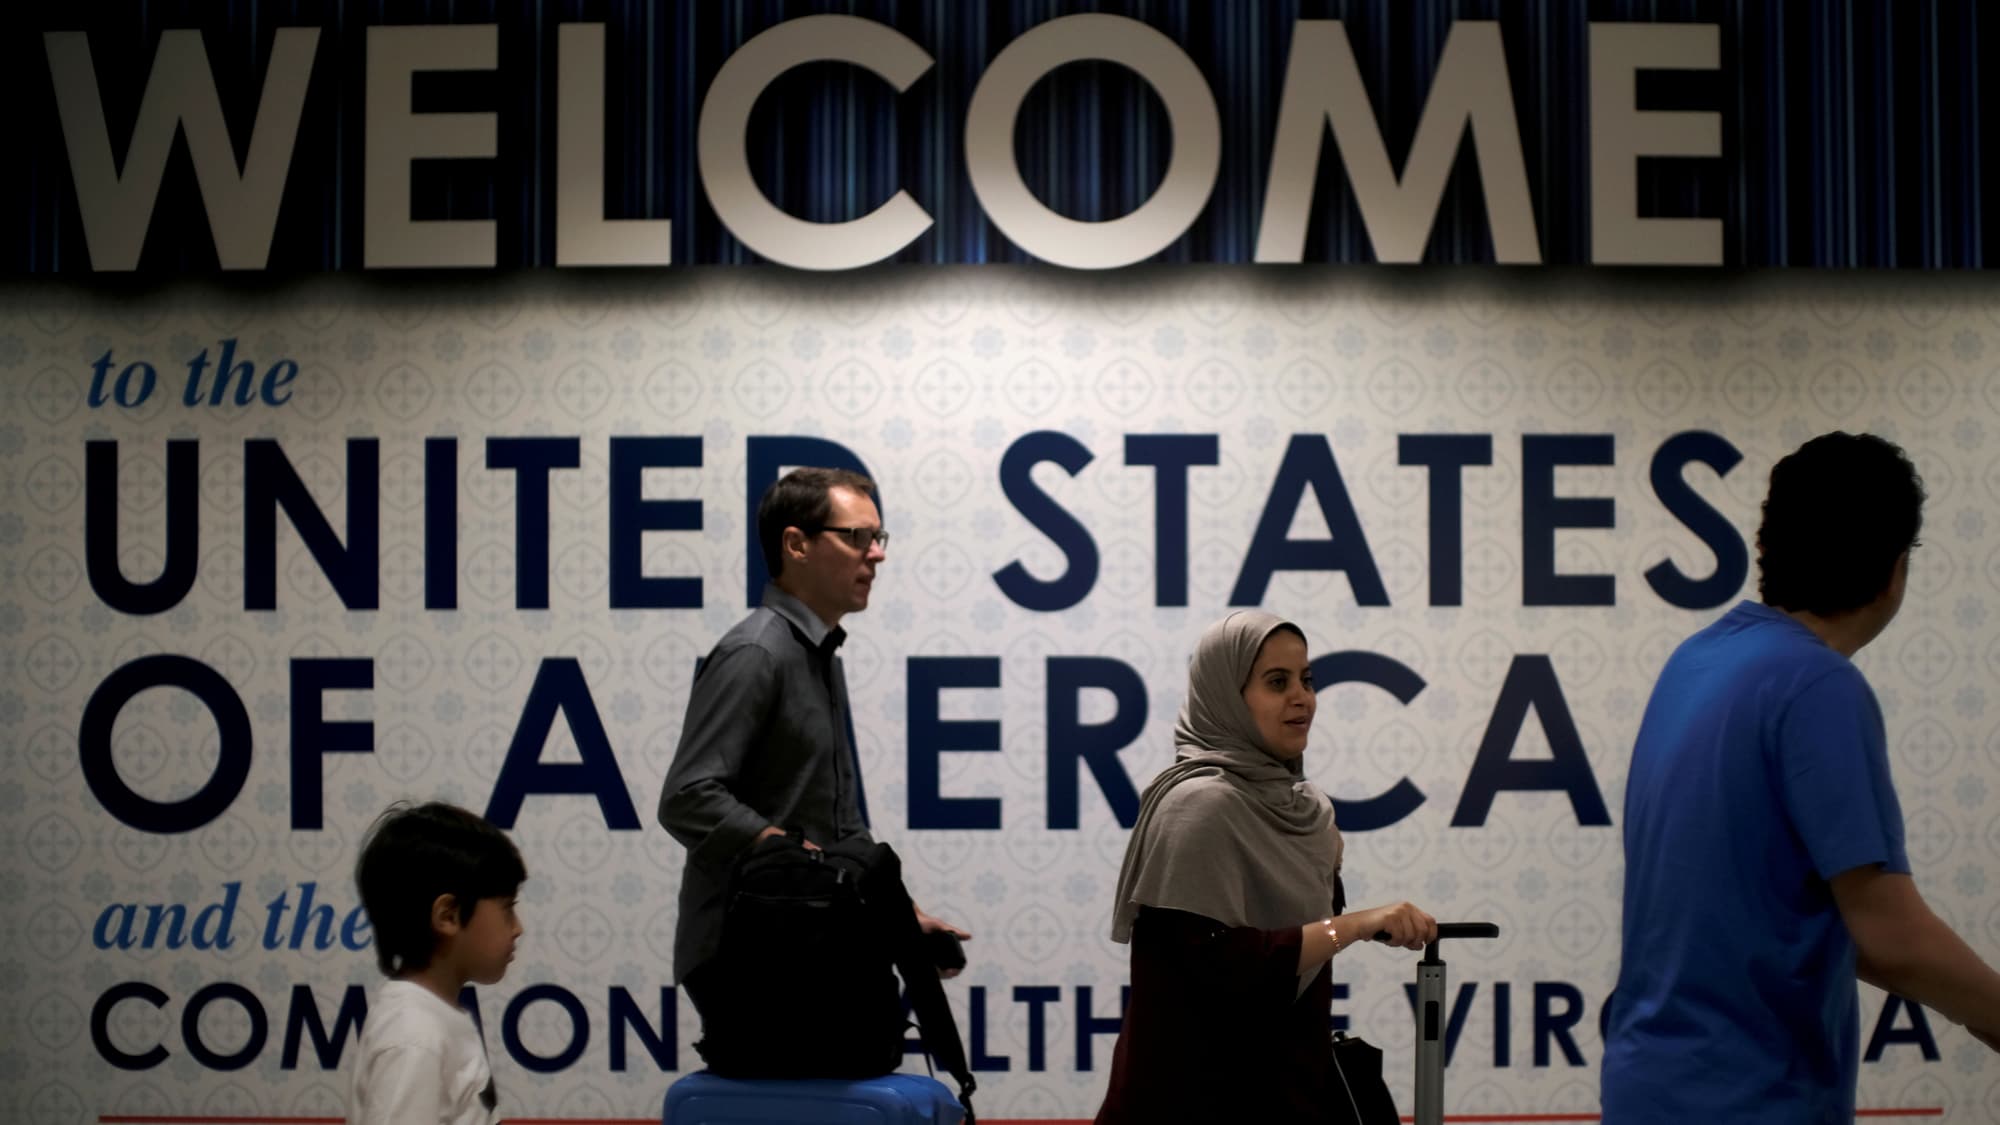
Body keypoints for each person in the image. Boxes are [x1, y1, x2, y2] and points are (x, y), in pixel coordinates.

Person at [1602, 432, 2000, 1123]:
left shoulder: (1695, 662)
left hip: (1646, 1089)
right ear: (1895, 568)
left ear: (1768, 545)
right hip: (1748, 1099)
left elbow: (1779, 912)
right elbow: (1889, 936)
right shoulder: (1817, 685)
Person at [1095, 610, 1437, 1125]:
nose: (1302, 698)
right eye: (1277, 682)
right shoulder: (1199, 805)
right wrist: (1352, 926)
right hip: (1194, 1100)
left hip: (1285, 1090)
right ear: (1227, 698)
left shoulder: (1306, 811)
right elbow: (1219, 967)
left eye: (1306, 680)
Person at [659, 467, 970, 1029]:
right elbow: (688, 796)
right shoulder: (756, 652)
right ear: (796, 545)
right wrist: (789, 853)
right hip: (748, 951)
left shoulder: (818, 655)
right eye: (856, 537)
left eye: (878, 537)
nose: (876, 554)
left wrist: (901, 913)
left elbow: (839, 825)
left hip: (804, 936)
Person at [349, 802, 526, 1125]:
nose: (518, 928)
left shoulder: (431, 1021)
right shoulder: (414, 1037)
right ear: (448, 916)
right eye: (507, 908)